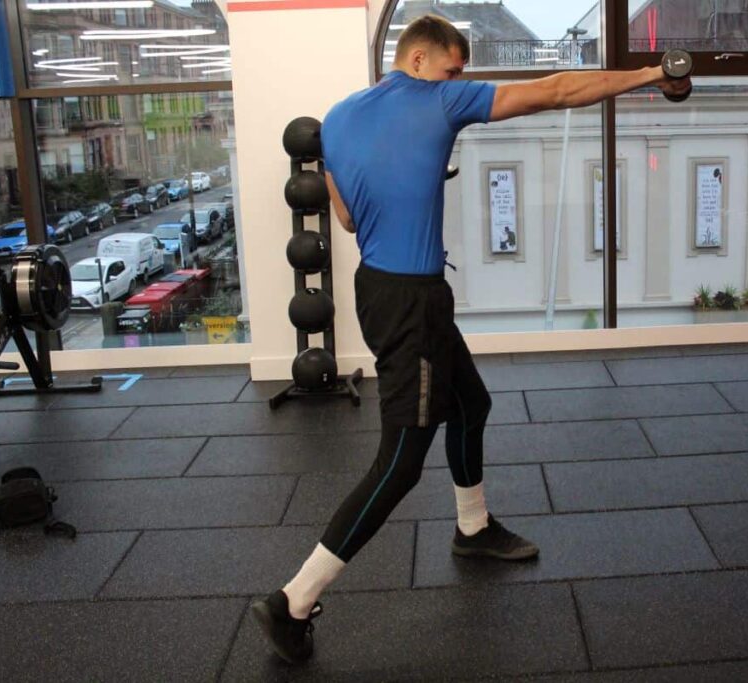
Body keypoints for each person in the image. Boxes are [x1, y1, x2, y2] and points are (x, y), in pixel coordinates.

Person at [251, 14, 691, 665]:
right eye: (455, 67)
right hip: (413, 304)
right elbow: (559, 90)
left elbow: (343, 217)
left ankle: (473, 527)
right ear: (423, 60)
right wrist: (653, 74)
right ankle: (292, 600)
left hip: (379, 288)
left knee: (471, 404)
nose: (461, 80)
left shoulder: (338, 117)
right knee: (400, 461)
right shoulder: (440, 97)